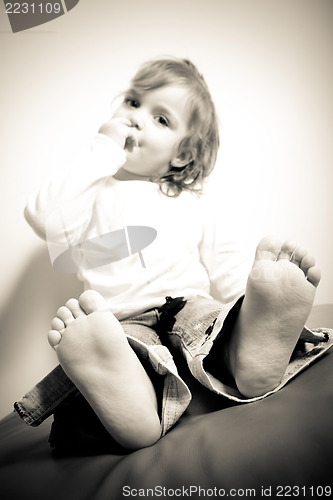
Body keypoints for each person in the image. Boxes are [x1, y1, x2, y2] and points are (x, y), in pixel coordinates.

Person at [18, 56, 329, 451]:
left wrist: (254, 306)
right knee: (117, 366)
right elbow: (44, 217)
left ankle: (246, 350)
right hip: (120, 328)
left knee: (217, 324)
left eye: (161, 119)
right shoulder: (87, 195)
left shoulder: (190, 202)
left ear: (182, 155)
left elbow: (229, 265)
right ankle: (137, 407)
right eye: (132, 102)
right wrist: (102, 149)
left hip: (189, 308)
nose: (137, 118)